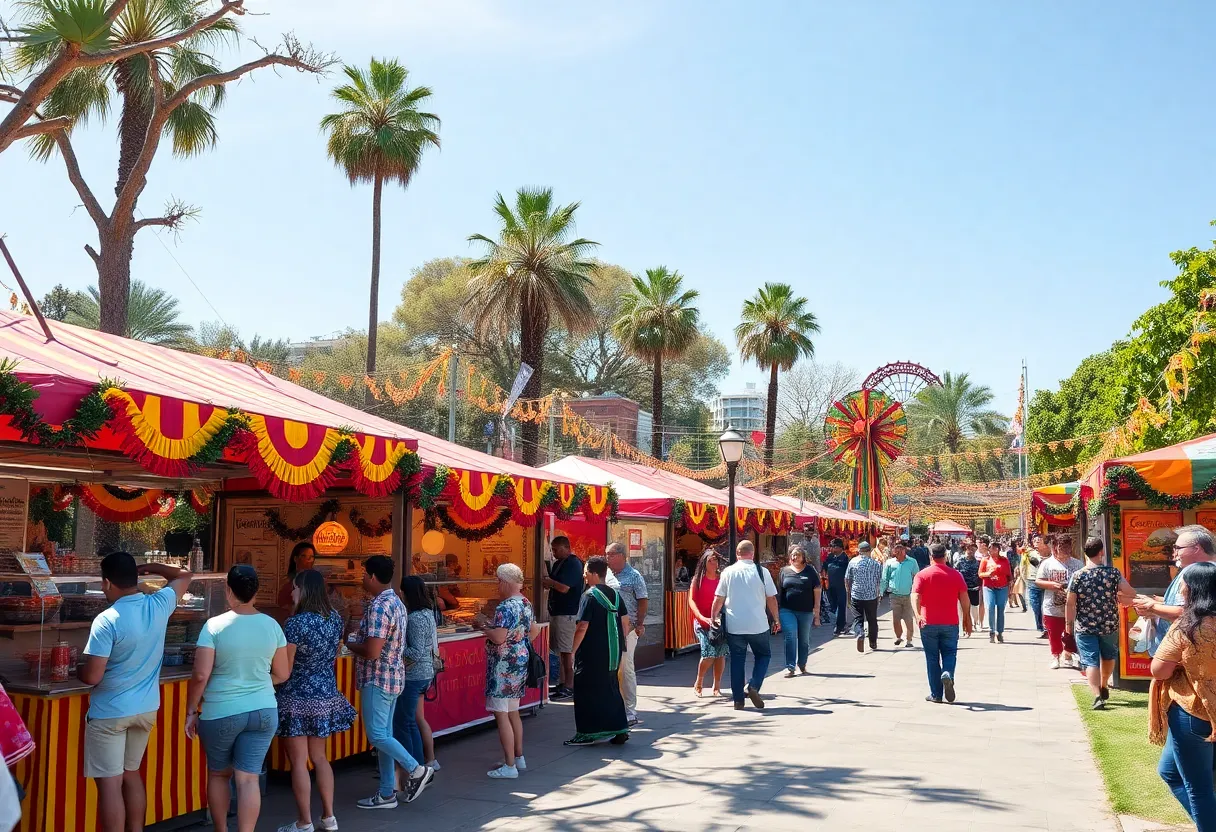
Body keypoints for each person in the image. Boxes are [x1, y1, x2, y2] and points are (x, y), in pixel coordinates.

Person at [78, 553, 192, 832]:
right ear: (135, 577)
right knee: (131, 775)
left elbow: (92, 676)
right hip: (146, 708)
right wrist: (149, 567)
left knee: (110, 785)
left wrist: (76, 669)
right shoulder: (158, 604)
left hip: (110, 712)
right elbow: (184, 575)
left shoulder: (107, 619)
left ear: (106, 583)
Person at [186, 564, 289, 832]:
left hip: (221, 711)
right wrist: (255, 682)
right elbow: (282, 673)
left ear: (228, 589)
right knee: (248, 779)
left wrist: (191, 710)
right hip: (264, 710)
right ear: (256, 591)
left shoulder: (214, 626)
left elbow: (201, 674)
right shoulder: (272, 625)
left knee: (219, 774)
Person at [346, 556, 433, 809]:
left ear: (372, 577)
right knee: (384, 735)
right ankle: (386, 793)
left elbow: (372, 651)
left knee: (377, 735)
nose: (362, 578)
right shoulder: (396, 602)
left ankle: (415, 769)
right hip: (393, 677)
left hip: (378, 678)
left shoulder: (380, 606)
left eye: (364, 574)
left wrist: (350, 644)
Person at [275, 569, 357, 832]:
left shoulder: (295, 624)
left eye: (295, 588)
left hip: (296, 697)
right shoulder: (334, 619)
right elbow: (334, 652)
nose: (292, 592)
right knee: (320, 758)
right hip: (325, 694)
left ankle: (304, 822)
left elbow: (285, 669)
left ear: (305, 590)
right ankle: (329, 817)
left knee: (299, 762)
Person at [1149, 561, 1216, 830]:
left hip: (1193, 712)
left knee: (1198, 788)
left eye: (1184, 585)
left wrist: (1182, 663)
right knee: (1170, 772)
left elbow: (1159, 670)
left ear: (1194, 590)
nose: (1181, 590)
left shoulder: (1187, 626)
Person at [476, 563, 540, 777]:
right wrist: (519, 643)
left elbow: (499, 637)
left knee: (501, 714)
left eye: (498, 581)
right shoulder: (525, 602)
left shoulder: (505, 607)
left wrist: (484, 627)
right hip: (519, 661)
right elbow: (534, 630)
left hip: (503, 665)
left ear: (504, 581)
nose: (497, 585)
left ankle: (509, 766)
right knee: (513, 711)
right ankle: (518, 757)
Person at [565, 556, 631, 745]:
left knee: (586, 690)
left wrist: (572, 651)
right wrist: (620, 643)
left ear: (594, 574)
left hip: (592, 652)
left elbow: (582, 626)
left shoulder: (590, 595)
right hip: (613, 651)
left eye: (586, 572)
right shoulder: (615, 595)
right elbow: (625, 622)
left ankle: (587, 733)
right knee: (611, 688)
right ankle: (619, 728)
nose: (584, 576)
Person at [1066, 537, 1135, 710]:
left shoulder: (1078, 575)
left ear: (1085, 553)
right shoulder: (1113, 573)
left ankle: (1097, 695)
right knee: (1108, 656)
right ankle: (1104, 683)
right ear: (1101, 552)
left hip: (1085, 625)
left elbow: (1070, 603)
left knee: (1090, 661)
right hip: (1109, 623)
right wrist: (1117, 594)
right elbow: (1130, 592)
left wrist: (1068, 626)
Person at [711, 540, 781, 710]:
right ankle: (754, 685)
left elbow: (718, 598)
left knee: (737, 660)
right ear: (753, 553)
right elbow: (771, 598)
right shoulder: (762, 572)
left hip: (735, 625)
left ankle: (738, 701)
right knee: (763, 655)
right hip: (758, 624)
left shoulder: (728, 572)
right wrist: (776, 619)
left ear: (737, 553)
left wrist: (713, 617)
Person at [1135, 525, 1216, 657]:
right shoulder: (1196, 570)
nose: (1174, 553)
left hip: (1184, 654)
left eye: (1178, 548)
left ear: (1196, 548)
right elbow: (1187, 604)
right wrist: (1157, 602)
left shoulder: (1197, 574)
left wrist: (1151, 607)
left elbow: (1184, 613)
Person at [912, 543, 972, 703]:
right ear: (945, 556)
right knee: (950, 653)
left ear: (930, 557)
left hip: (928, 622)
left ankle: (936, 694)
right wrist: (967, 618)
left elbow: (915, 595)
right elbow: (964, 598)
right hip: (950, 622)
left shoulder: (922, 575)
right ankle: (947, 674)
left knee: (932, 658)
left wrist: (917, 615)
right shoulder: (956, 575)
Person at [392, 576, 437, 790]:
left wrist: (395, 650)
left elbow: (415, 652)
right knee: (411, 721)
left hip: (414, 675)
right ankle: (419, 765)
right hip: (424, 674)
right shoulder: (428, 613)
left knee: (404, 722)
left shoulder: (416, 618)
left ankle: (413, 768)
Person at [605, 542, 649, 726]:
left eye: (611, 554)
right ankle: (613, 707)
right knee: (611, 668)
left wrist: (639, 623)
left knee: (625, 667)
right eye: (606, 554)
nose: (607, 558)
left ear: (622, 555)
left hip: (628, 629)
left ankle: (630, 710)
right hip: (608, 628)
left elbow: (643, 600)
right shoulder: (606, 574)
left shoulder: (634, 575)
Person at [542, 536, 583, 701]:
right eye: (552, 549)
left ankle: (569, 686)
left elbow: (564, 588)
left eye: (556, 549)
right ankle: (562, 682)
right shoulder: (559, 563)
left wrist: (549, 582)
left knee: (567, 651)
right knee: (560, 650)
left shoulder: (573, 564)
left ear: (566, 548)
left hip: (567, 613)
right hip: (557, 612)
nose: (553, 553)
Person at [1037, 535, 1084, 669]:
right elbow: (1039, 581)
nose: (1065, 551)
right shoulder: (1047, 563)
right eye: (1061, 548)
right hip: (1052, 606)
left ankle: (1068, 654)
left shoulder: (1078, 564)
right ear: (1055, 548)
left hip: (1073, 607)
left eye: (1067, 548)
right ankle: (1056, 655)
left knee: (1071, 632)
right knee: (1054, 633)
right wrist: (1053, 585)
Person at [687, 548, 726, 697]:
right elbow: (692, 600)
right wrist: (701, 617)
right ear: (704, 563)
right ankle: (699, 682)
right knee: (708, 653)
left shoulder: (721, 579)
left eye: (715, 560)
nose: (714, 563)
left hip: (718, 622)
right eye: (710, 561)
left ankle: (717, 686)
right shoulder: (698, 580)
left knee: (720, 653)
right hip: (702, 622)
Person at [777, 545, 821, 676]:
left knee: (804, 639)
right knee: (790, 636)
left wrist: (817, 611)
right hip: (787, 610)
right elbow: (780, 591)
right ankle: (790, 666)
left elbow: (817, 590)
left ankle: (802, 663)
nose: (794, 557)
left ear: (803, 558)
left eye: (797, 555)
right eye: (792, 554)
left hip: (806, 611)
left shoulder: (810, 571)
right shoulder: (784, 571)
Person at [845, 541, 882, 653]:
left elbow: (847, 579)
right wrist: (879, 594)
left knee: (858, 618)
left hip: (856, 594)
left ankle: (860, 633)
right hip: (871, 596)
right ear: (869, 551)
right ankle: (873, 642)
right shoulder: (876, 564)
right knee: (872, 619)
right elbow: (879, 580)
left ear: (859, 551)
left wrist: (848, 594)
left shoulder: (852, 562)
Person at [881, 542, 919, 647]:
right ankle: (898, 636)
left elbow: (917, 576)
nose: (897, 553)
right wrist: (881, 592)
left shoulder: (912, 562)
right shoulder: (890, 563)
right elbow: (885, 578)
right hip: (894, 595)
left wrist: (916, 591)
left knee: (908, 618)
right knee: (896, 619)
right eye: (896, 551)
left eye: (899, 551)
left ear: (904, 551)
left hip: (908, 595)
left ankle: (909, 640)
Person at [978, 542, 1012, 643]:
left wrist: (1010, 588)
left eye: (994, 548)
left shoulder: (1004, 560)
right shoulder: (985, 560)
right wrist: (988, 574)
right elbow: (980, 574)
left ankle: (999, 632)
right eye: (990, 548)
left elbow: (1009, 575)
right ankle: (992, 631)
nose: (992, 550)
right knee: (990, 607)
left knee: (1001, 609)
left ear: (998, 549)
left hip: (1002, 587)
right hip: (989, 587)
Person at [277, 542, 317, 611]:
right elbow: (282, 604)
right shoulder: (287, 581)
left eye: (311, 557)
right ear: (295, 559)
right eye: (304, 556)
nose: (308, 560)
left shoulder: (317, 580)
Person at [823, 538, 851, 635]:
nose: (831, 549)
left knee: (841, 605)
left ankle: (840, 626)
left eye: (833, 547)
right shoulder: (830, 557)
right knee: (832, 605)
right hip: (830, 586)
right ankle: (839, 623)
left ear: (840, 548)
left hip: (842, 586)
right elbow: (824, 568)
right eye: (831, 546)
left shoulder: (845, 559)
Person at [1027, 533, 1049, 636]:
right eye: (1034, 541)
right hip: (1033, 581)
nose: (1036, 542)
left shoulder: (1050, 553)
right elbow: (1036, 563)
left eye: (1039, 541)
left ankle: (1046, 628)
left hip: (1046, 581)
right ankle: (1040, 628)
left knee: (1045, 606)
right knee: (1035, 606)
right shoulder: (1031, 553)